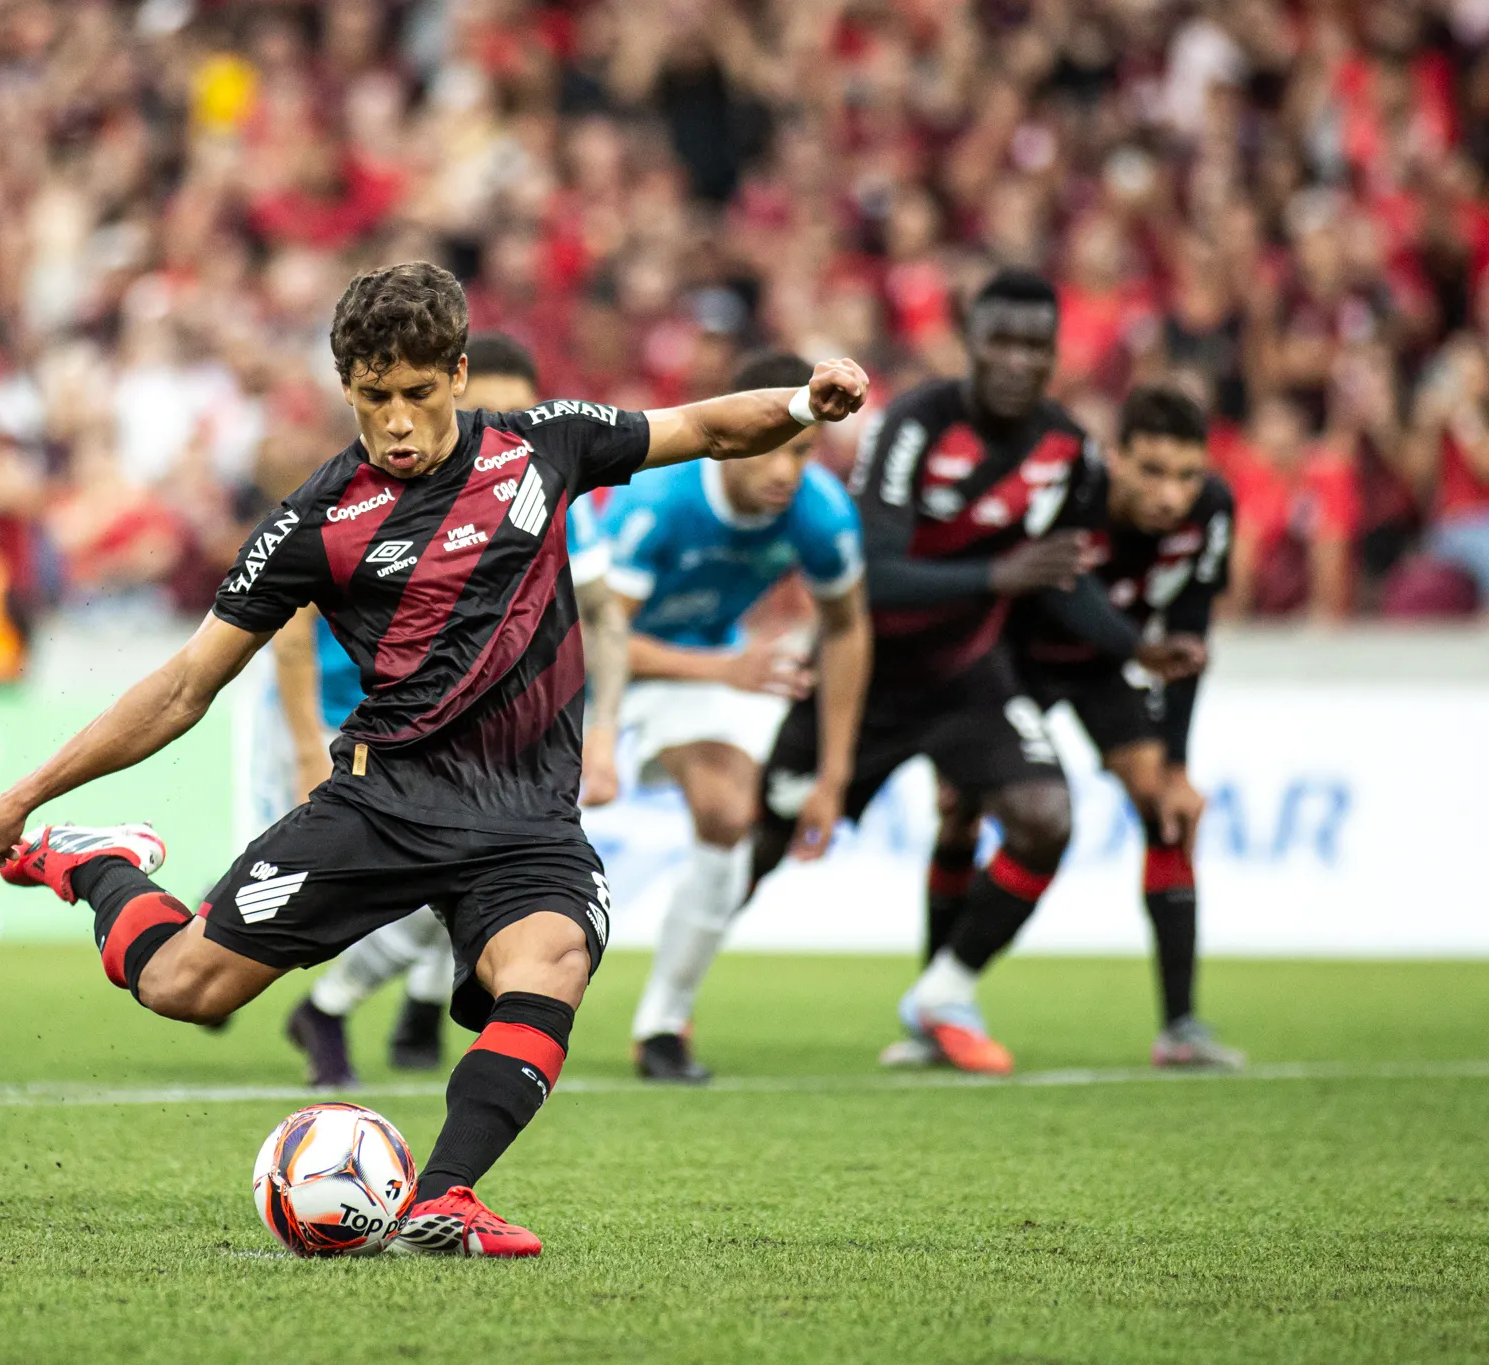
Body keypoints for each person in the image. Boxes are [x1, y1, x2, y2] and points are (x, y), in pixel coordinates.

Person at [0, 261, 868, 1257]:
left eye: (418, 395)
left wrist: (796, 403)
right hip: (385, 804)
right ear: (346, 388)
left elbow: (703, 430)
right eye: (373, 398)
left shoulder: (538, 448)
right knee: (182, 988)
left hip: (525, 817)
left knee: (550, 958)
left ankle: (445, 1195)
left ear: (458, 375)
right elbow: (184, 686)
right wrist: (27, 795)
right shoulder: (312, 524)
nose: (395, 421)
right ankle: (93, 861)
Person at [748, 269, 1198, 1076]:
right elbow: (872, 572)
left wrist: (1133, 647)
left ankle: (944, 990)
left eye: (1037, 345)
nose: (1020, 361)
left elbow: (1061, 574)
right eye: (1003, 341)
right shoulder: (914, 423)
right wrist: (999, 576)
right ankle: (662, 1013)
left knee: (1045, 814)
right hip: (866, 673)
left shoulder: (1066, 446)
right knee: (760, 840)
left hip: (967, 677)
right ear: (971, 344)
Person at [278, 332, 633, 1086]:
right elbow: (290, 623)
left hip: (469, 736)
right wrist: (307, 744)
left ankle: (369, 1005)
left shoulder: (549, 487)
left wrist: (601, 733)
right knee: (385, 882)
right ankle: (337, 997)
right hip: (344, 718)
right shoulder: (371, 494)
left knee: (476, 872)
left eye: (520, 414)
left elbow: (603, 615)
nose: (506, 434)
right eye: (488, 413)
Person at [925, 385, 1243, 1068]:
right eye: (1153, 470)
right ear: (1116, 458)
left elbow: (1190, 637)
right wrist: (1135, 647)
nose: (1171, 493)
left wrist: (1180, 764)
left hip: (1103, 665)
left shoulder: (1213, 513)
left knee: (1165, 806)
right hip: (1012, 659)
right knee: (959, 811)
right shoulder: (1075, 487)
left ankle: (1180, 1027)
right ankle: (935, 1011)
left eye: (1188, 474)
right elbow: (1063, 590)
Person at [605, 349, 872, 1083]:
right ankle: (391, 995)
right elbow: (594, 638)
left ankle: (663, 1023)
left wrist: (835, 772)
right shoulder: (659, 497)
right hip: (583, 667)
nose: (787, 470)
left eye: (807, 450)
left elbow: (848, 628)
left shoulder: (820, 511)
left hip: (693, 670)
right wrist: (725, 668)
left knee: (728, 814)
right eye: (777, 448)